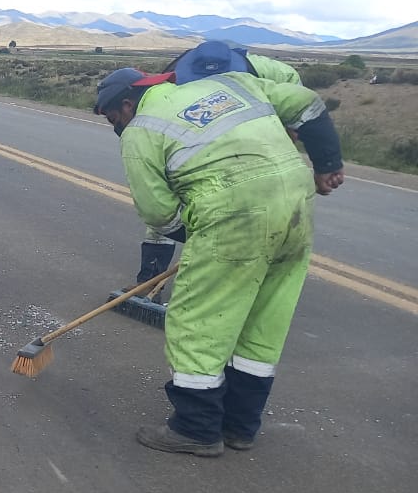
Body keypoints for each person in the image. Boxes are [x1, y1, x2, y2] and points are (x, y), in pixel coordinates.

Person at [93, 66, 342, 456]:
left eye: (113, 119)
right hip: (296, 206)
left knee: (198, 321)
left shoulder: (142, 130)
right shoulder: (229, 83)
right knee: (263, 320)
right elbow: (306, 104)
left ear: (127, 103)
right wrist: (328, 163)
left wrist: (203, 240)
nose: (116, 128)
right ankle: (240, 427)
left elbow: (159, 215)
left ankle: (197, 428)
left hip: (233, 215)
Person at [126, 40, 346, 289]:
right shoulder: (177, 78)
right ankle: (148, 282)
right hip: (203, 141)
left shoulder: (275, 75)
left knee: (260, 196)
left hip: (260, 139)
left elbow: (302, 112)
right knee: (172, 199)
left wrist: (325, 164)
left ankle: (244, 262)